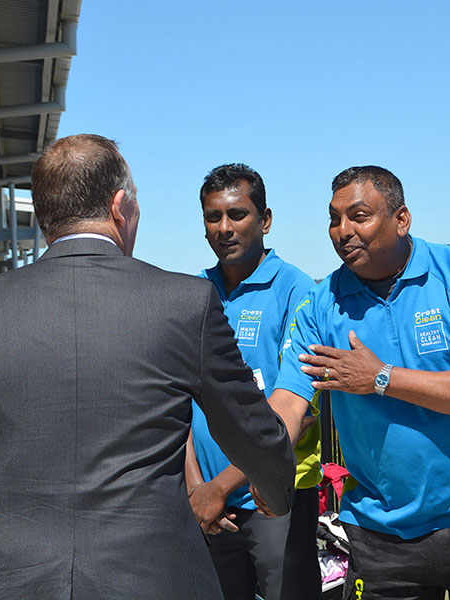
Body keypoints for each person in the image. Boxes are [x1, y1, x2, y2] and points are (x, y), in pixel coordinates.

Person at [0, 134, 297, 600]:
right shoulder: (184, 304)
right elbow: (253, 432)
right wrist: (274, 488)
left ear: (46, 217)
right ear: (120, 206)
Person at [263, 165, 450, 599]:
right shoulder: (322, 305)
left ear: (401, 219)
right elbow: (288, 403)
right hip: (381, 538)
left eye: (359, 216)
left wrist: (380, 378)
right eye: (334, 219)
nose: (342, 231)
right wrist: (261, 464)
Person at [185, 163, 322, 600]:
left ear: (265, 220)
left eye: (237, 214)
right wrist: (196, 490)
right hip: (206, 508)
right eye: (213, 217)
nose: (224, 228)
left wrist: (220, 487)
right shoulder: (192, 295)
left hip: (275, 500)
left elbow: (295, 415)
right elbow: (177, 403)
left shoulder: (297, 290)